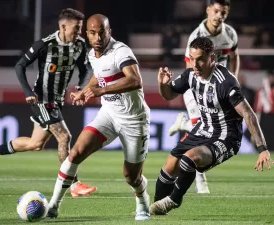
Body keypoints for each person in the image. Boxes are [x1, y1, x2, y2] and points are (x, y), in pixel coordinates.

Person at [0, 8, 97, 198]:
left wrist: (81, 88)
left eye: (80, 28)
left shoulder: (80, 45)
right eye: (76, 28)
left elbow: (85, 69)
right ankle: (73, 185)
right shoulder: (45, 44)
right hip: (42, 99)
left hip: (57, 101)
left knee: (35, 144)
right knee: (64, 137)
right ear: (63, 26)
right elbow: (20, 66)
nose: (79, 33)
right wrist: (28, 92)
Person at [150, 36, 272, 215]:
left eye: (200, 59)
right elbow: (168, 95)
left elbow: (248, 113)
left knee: (190, 158)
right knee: (169, 165)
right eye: (192, 59)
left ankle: (174, 200)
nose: (195, 64)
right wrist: (162, 84)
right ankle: (155, 211)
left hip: (226, 137)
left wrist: (262, 148)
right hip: (203, 129)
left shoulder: (226, 82)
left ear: (212, 59)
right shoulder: (190, 75)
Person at [46, 14, 151, 221]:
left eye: (102, 32)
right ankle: (53, 206)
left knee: (131, 176)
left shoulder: (120, 51)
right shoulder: (93, 54)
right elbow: (99, 75)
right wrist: (85, 90)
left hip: (134, 120)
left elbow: (135, 80)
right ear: (88, 34)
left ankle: (142, 199)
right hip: (109, 115)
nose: (98, 37)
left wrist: (100, 91)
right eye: (93, 33)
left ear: (109, 31)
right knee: (75, 153)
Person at [168, 0, 240, 194]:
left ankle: (183, 125)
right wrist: (195, 90)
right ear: (208, 10)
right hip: (197, 89)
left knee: (210, 127)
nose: (219, 16)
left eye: (223, 13)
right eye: (216, 11)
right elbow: (189, 67)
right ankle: (201, 182)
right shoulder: (197, 36)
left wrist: (234, 80)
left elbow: (234, 56)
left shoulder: (230, 34)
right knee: (203, 130)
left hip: (220, 91)